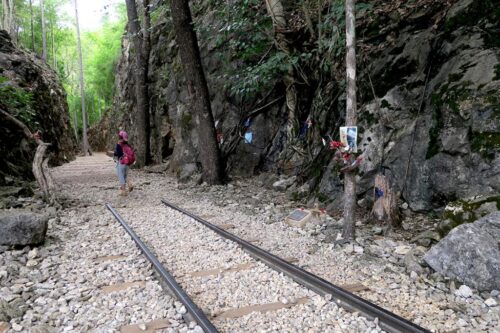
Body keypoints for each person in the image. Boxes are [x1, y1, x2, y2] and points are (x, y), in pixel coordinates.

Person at [111, 131, 134, 196]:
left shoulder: (119, 144)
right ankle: (130, 184)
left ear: (120, 137)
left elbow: (119, 154)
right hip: (127, 163)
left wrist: (115, 153)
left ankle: (123, 191)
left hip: (121, 162)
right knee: (125, 176)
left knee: (121, 176)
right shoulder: (128, 145)